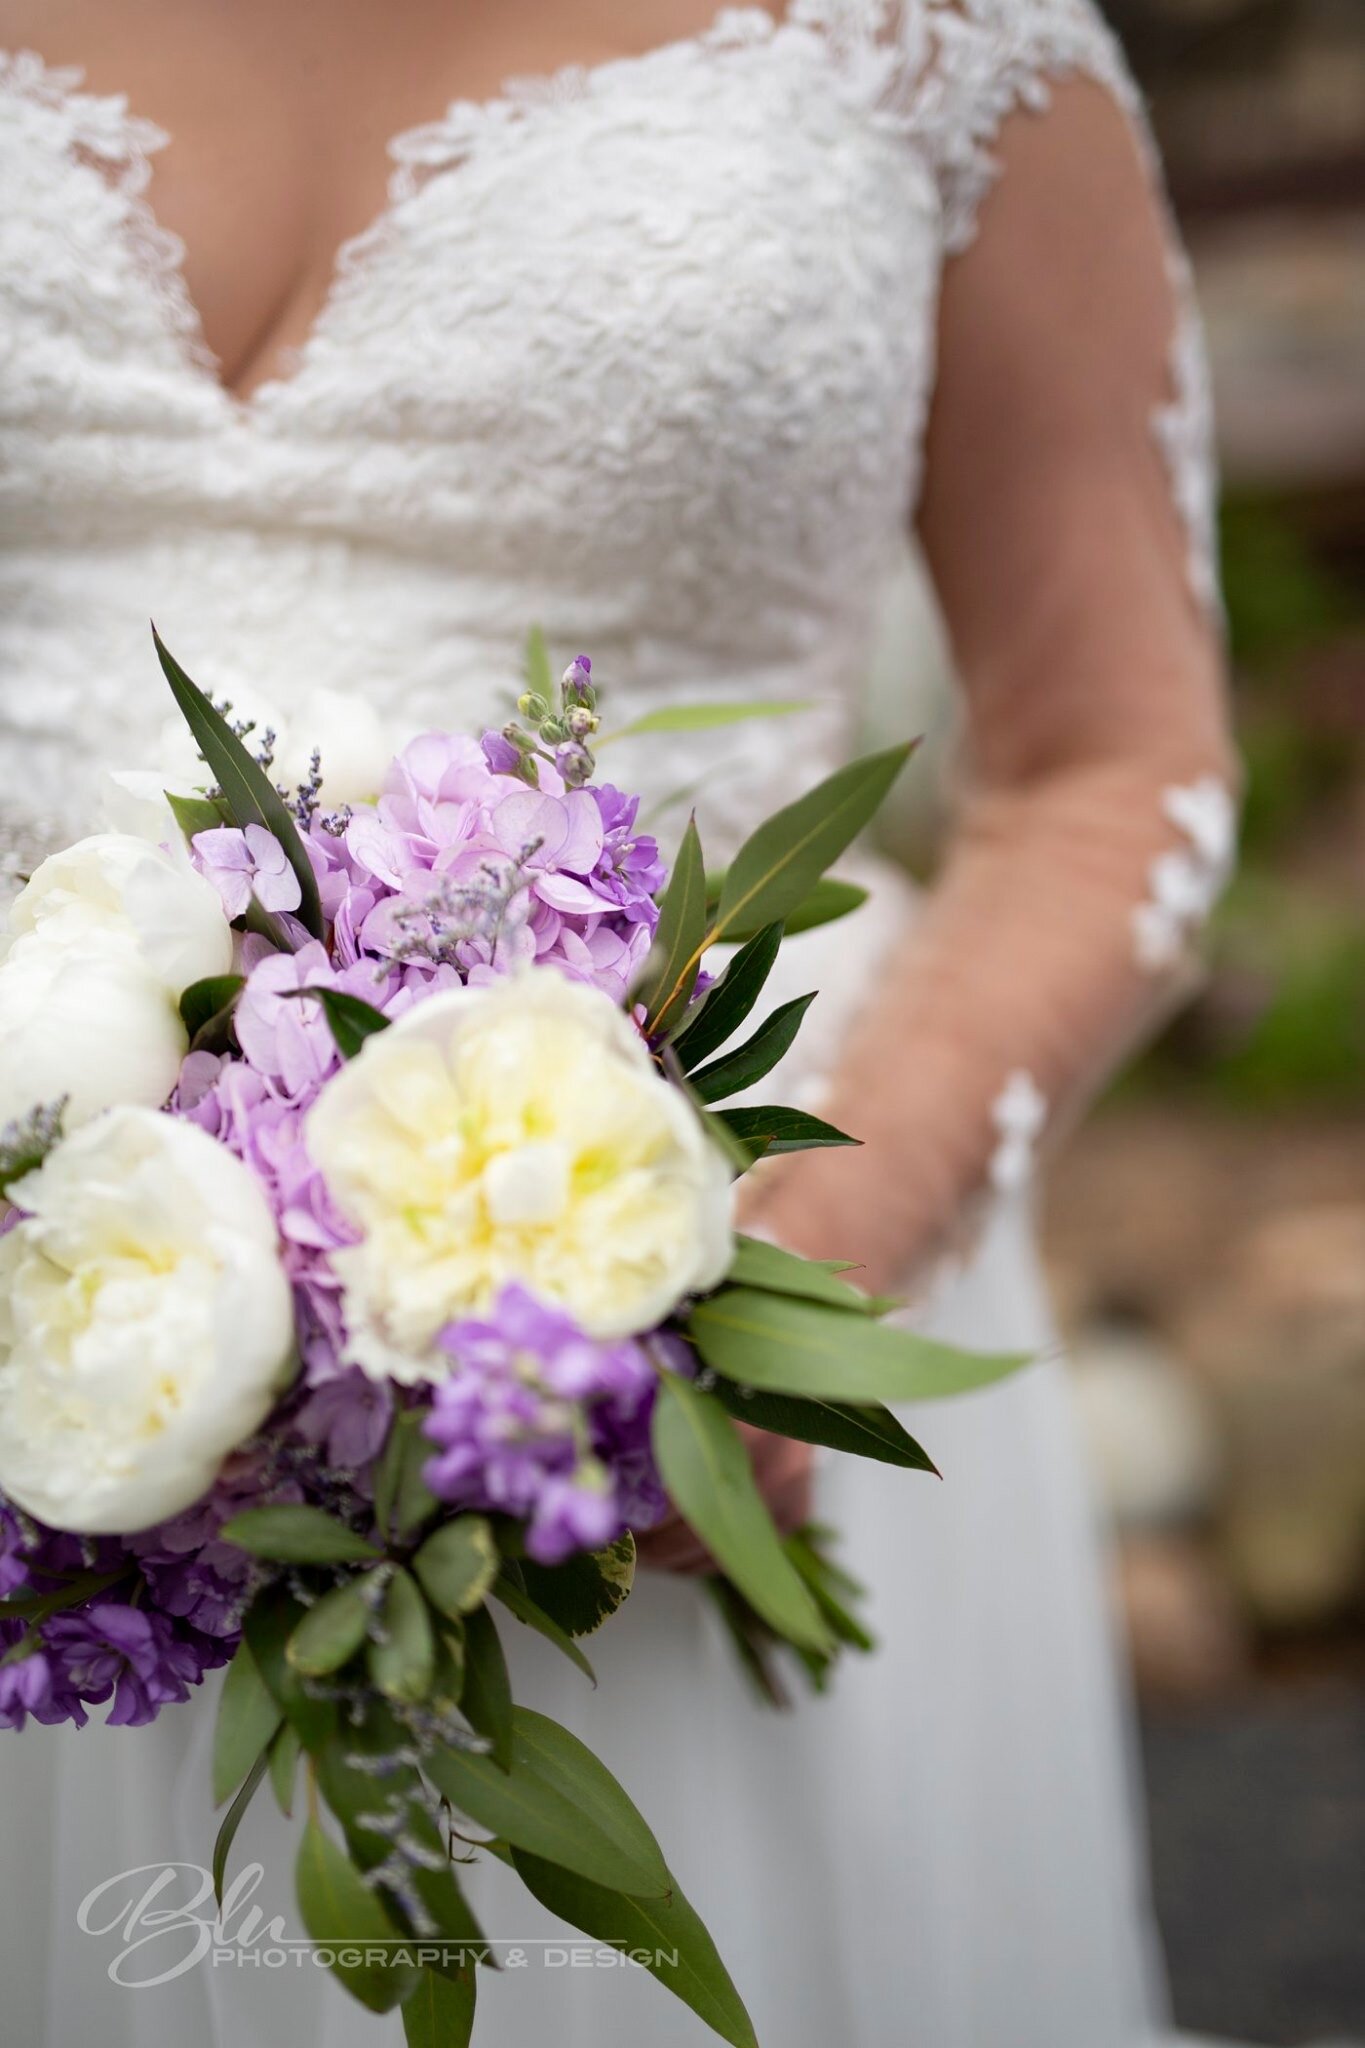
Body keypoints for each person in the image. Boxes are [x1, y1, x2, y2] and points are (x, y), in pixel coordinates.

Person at [0, 3, 1240, 2042]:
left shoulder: (938, 41)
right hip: (62, 1367)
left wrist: (808, 1265)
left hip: (685, 1322)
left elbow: (1113, 761)